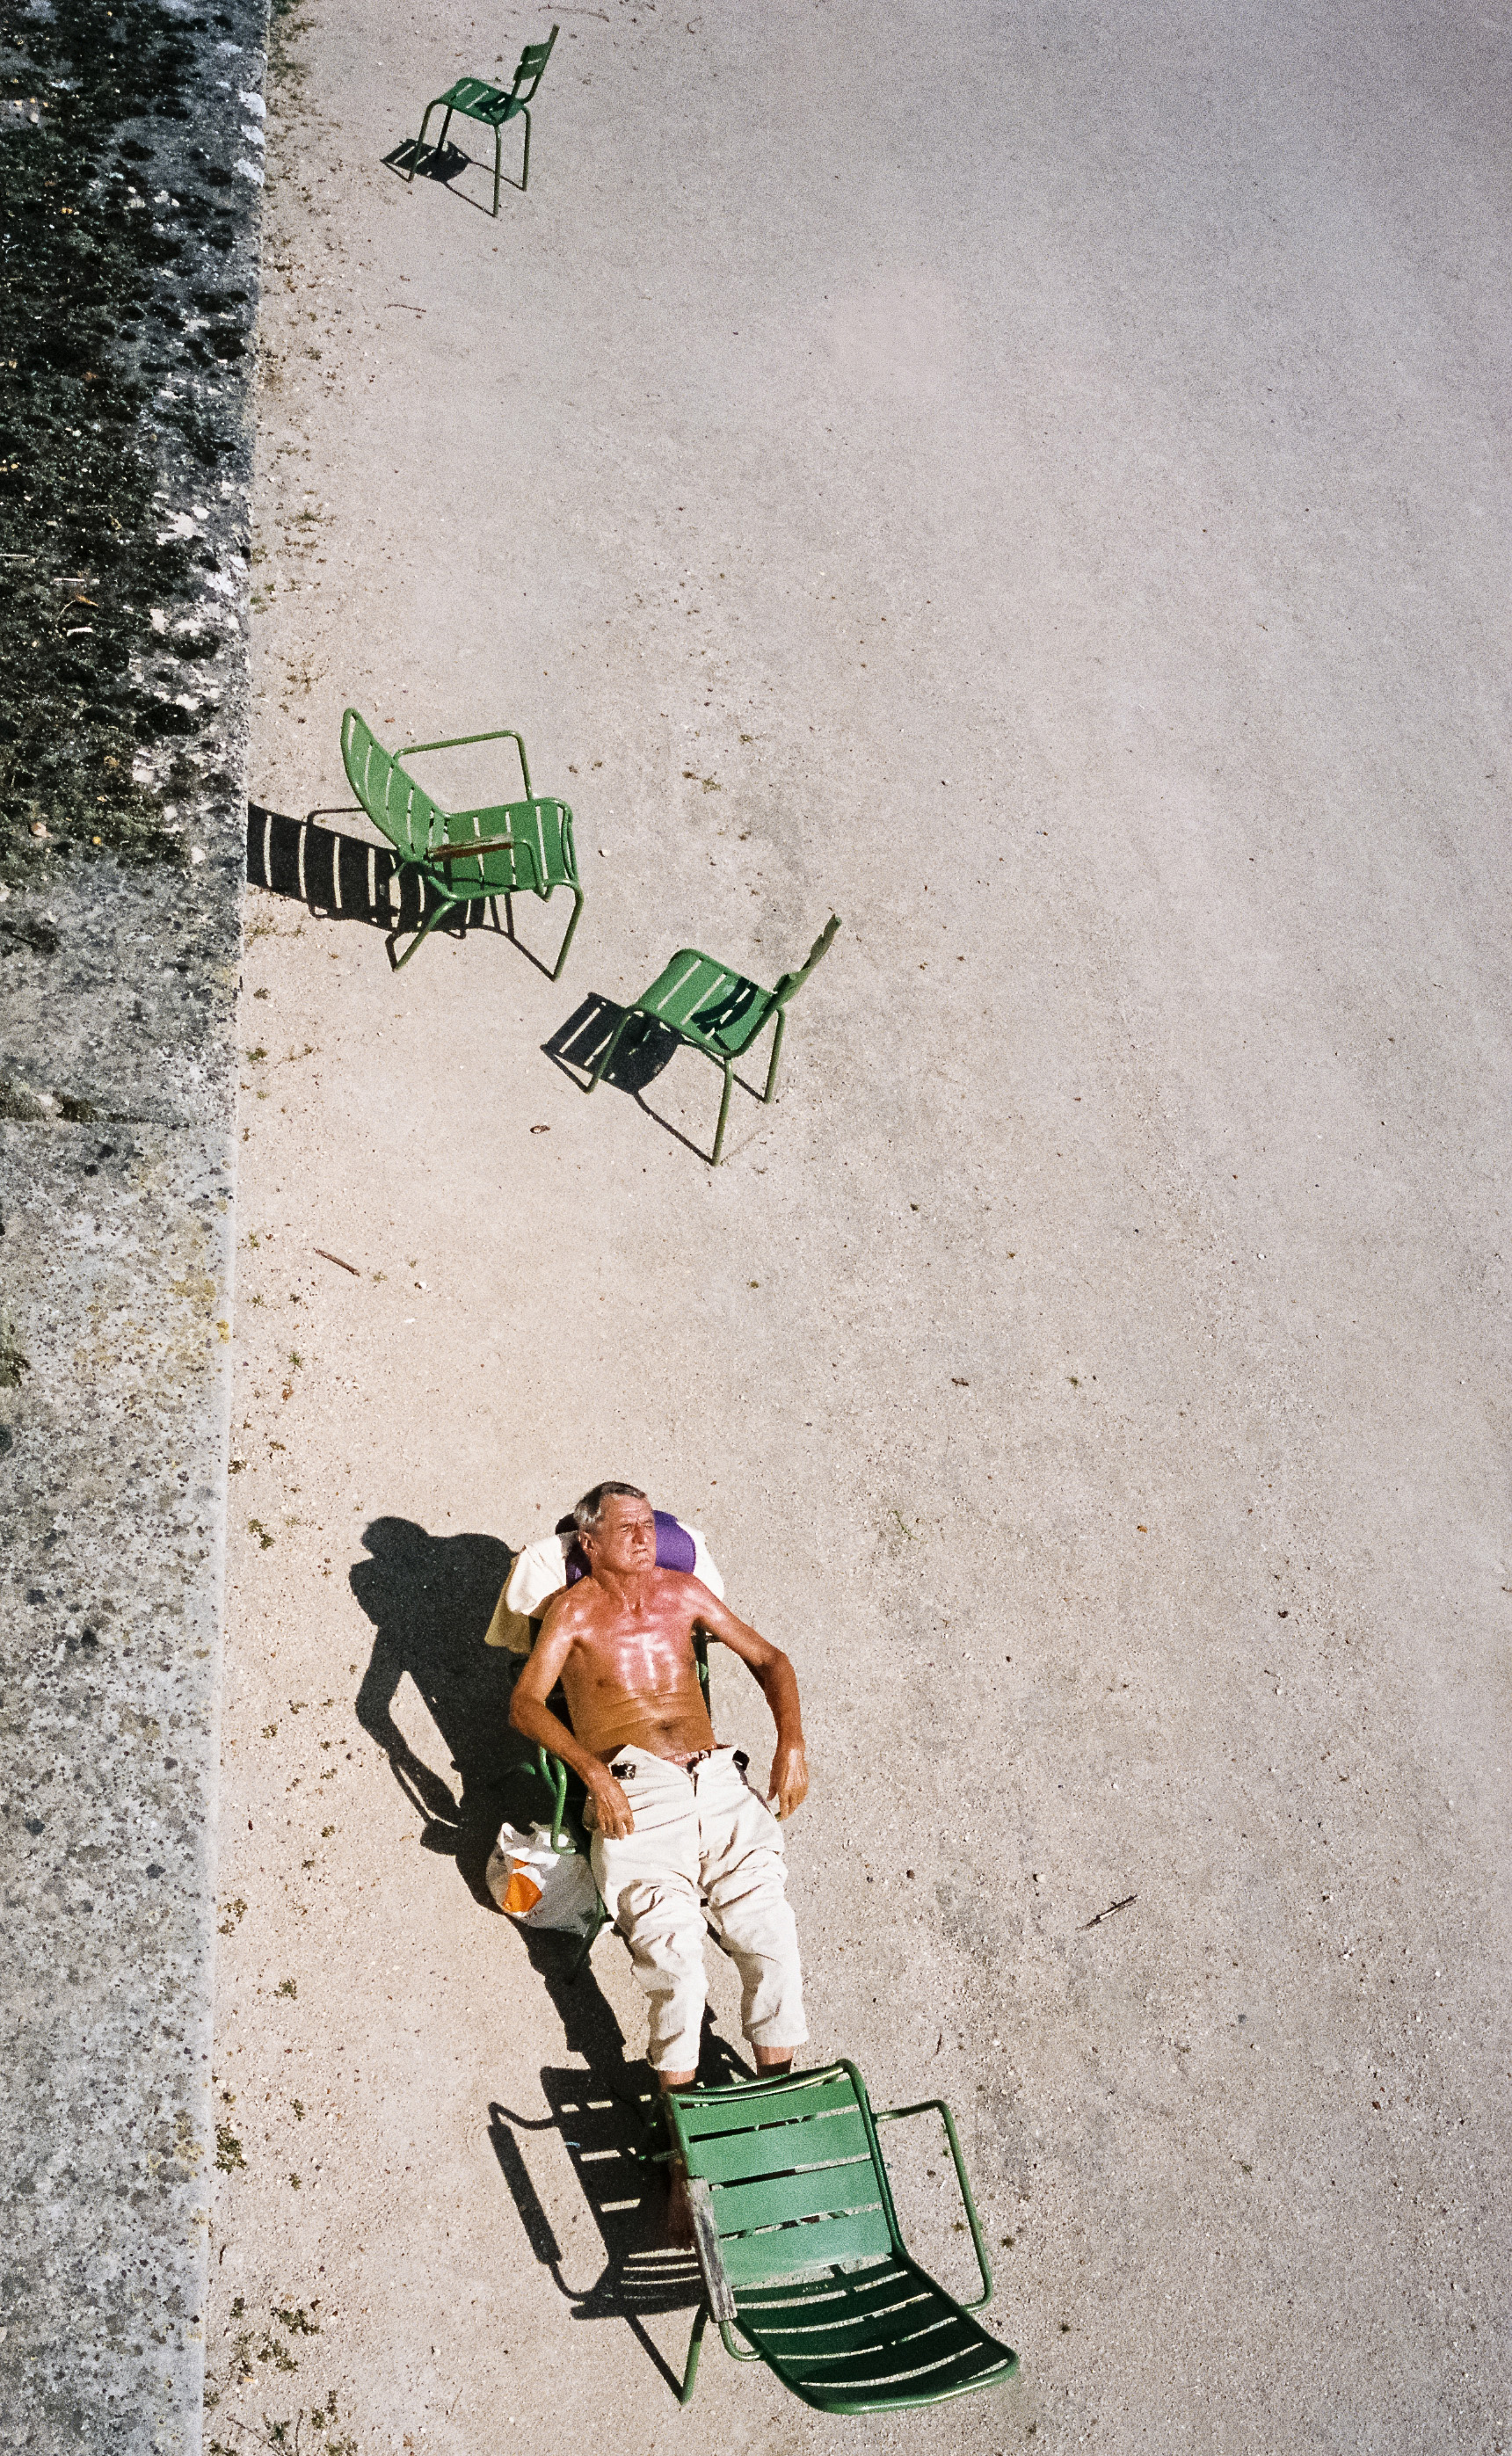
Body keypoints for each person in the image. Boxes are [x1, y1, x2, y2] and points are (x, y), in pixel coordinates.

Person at [507, 1479, 809, 2108]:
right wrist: (593, 1774)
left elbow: (771, 1660)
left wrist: (792, 1744)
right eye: (627, 1528)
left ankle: (777, 2102)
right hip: (636, 1789)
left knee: (772, 1937)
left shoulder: (684, 1593)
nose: (646, 1538)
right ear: (588, 1543)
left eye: (649, 1524)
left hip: (719, 1779)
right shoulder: (575, 1610)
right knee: (678, 1969)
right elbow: (526, 1704)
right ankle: (683, 2131)